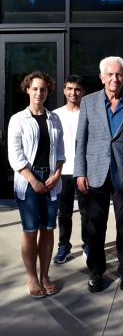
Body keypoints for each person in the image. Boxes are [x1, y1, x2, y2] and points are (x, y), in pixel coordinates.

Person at [74, 56, 123, 293]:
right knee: (95, 227)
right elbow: (80, 141)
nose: (115, 78)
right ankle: (96, 272)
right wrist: (80, 172)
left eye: (119, 74)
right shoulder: (88, 102)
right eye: (110, 74)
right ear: (102, 77)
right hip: (95, 174)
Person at [8, 71, 65, 298]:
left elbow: (61, 151)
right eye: (35, 88)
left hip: (51, 181)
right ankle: (32, 277)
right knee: (30, 231)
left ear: (48, 91)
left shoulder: (54, 119)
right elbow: (15, 156)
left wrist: (57, 174)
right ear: (28, 90)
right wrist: (33, 180)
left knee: (48, 230)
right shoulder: (17, 120)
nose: (39, 93)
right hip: (28, 181)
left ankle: (45, 275)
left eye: (43, 89)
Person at [53, 75, 88, 264]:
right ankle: (64, 246)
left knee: (86, 212)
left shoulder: (88, 112)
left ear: (83, 92)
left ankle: (88, 244)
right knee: (64, 212)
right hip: (63, 171)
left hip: (84, 171)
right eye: (69, 89)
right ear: (64, 91)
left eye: (77, 89)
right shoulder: (55, 114)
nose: (73, 93)